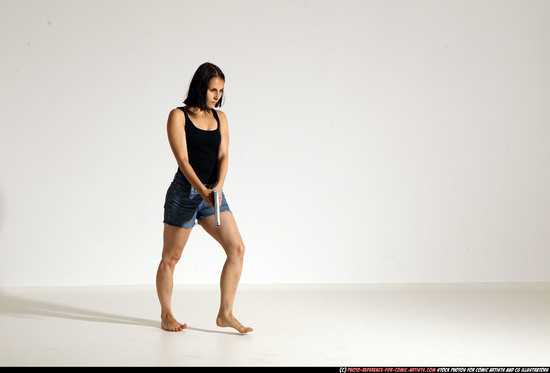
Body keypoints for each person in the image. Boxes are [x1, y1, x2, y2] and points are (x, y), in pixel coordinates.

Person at [156, 62, 253, 334]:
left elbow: (223, 155)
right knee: (171, 258)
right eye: (213, 90)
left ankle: (225, 313)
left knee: (237, 249)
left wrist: (218, 188)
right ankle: (166, 315)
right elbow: (183, 160)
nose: (217, 96)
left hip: (213, 193)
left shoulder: (221, 118)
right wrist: (202, 191)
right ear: (201, 87)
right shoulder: (178, 116)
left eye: (220, 91)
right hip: (185, 193)